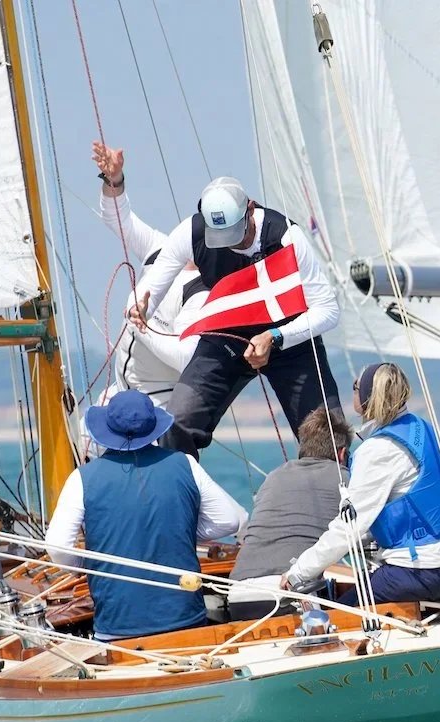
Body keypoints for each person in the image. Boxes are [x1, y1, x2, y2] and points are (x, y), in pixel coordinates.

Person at [126, 175, 341, 456]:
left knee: (331, 440)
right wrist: (142, 309)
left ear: (250, 210)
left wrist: (275, 337)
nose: (231, 245)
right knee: (178, 423)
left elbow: (328, 310)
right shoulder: (190, 232)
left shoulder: (287, 236)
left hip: (289, 339)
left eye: (235, 234)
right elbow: (150, 291)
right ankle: (182, 493)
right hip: (227, 336)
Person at [44, 390, 248, 640]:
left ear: (107, 429)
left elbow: (57, 547)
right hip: (187, 622)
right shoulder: (186, 464)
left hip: (117, 629)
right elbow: (230, 520)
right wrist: (179, 531)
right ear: (154, 428)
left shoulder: (81, 479)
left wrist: (86, 567)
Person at [280, 363, 440, 606]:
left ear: (365, 397)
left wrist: (297, 573)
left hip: (427, 571)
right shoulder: (425, 429)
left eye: (355, 387)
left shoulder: (378, 450)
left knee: (342, 611)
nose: (352, 391)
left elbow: (349, 527)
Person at [91, 142, 209, 411]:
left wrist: (144, 328)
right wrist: (114, 179)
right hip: (117, 394)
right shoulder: (160, 248)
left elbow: (184, 357)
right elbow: (118, 218)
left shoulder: (201, 292)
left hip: (157, 405)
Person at [226, 406, 352, 620]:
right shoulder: (344, 479)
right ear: (342, 453)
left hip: (238, 595)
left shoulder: (274, 476)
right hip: (287, 593)